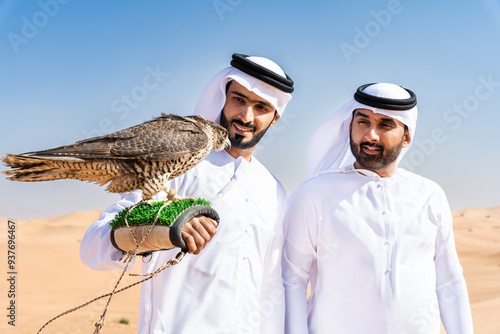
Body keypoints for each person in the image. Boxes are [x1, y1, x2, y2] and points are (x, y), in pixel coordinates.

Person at [80, 53, 294, 333]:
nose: (246, 116)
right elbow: (92, 246)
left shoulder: (273, 189)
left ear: (274, 118)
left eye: (261, 107)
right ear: (223, 98)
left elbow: (269, 286)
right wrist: (162, 226)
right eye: (238, 100)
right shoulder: (179, 164)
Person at [282, 83, 473, 334]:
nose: (371, 135)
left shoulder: (430, 196)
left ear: (407, 136)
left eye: (385, 125)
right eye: (363, 122)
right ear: (350, 127)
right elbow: (293, 279)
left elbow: (449, 281)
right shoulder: (314, 194)